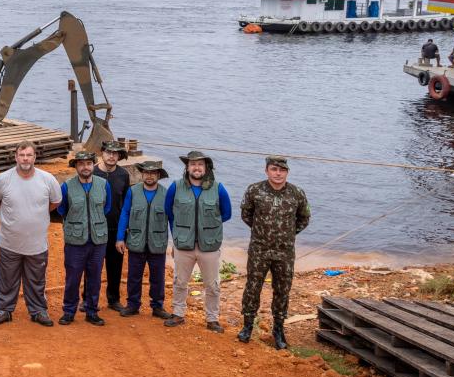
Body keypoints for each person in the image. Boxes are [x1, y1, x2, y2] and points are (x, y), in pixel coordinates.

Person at [238, 156, 311, 350]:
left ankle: (278, 330)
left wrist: (286, 234)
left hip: (284, 252)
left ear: (287, 172)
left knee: (282, 291)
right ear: (267, 171)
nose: (278, 173)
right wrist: (262, 232)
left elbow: (304, 218)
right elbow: (246, 214)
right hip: (259, 250)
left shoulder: (297, 193)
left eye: (282, 170)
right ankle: (247, 326)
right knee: (253, 287)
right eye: (274, 169)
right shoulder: (254, 190)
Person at [0, 140, 62, 327]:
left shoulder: (48, 179)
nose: (25, 159)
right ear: (15, 157)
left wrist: (35, 215)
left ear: (35, 157)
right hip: (9, 242)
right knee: (7, 278)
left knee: (36, 279)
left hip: (36, 244)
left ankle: (38, 310)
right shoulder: (3, 179)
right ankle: (4, 309)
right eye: (22, 155)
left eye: (29, 155)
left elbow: (55, 203)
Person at [163, 150, 232, 333]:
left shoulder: (218, 188)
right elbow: (169, 211)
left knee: (212, 285)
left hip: (209, 246)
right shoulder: (175, 187)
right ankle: (178, 313)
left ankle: (212, 319)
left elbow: (226, 214)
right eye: (193, 164)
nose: (196, 167)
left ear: (206, 168)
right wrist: (178, 233)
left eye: (200, 164)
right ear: (187, 167)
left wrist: (206, 227)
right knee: (179, 281)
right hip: (183, 245)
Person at [58, 151, 112, 325]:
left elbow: (107, 207)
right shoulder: (66, 186)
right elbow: (62, 210)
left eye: (88, 163)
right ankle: (69, 311)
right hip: (75, 241)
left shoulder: (104, 185)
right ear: (75, 166)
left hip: (98, 240)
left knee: (95, 277)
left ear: (93, 165)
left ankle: (91, 311)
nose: (85, 167)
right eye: (81, 164)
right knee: (73, 278)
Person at [115, 160, 172, 319]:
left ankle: (157, 306)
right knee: (134, 276)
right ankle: (133, 305)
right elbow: (125, 213)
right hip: (136, 241)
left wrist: (176, 243)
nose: (149, 176)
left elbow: (172, 219)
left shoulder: (166, 194)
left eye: (153, 173)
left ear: (158, 176)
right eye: (146, 172)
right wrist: (120, 238)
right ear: (142, 174)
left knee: (158, 277)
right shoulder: (133, 192)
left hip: (158, 243)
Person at [93, 140, 131, 312]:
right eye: (108, 152)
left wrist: (123, 233)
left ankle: (113, 299)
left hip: (116, 228)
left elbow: (125, 205)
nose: (111, 156)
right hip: (94, 228)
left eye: (115, 153)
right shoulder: (91, 171)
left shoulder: (123, 175)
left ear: (119, 156)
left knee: (115, 267)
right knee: (92, 265)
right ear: (102, 153)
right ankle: (88, 299)